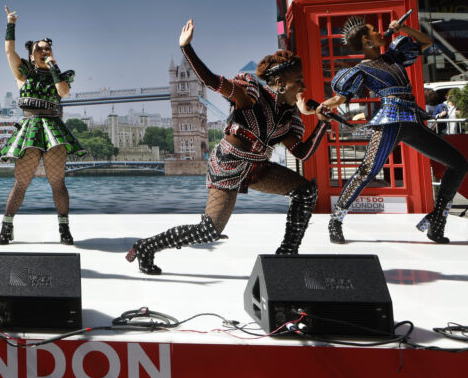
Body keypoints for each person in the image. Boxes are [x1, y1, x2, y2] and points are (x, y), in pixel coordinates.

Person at [126, 20, 330, 275]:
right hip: (227, 167)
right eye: (298, 80)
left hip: (257, 168)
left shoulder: (289, 117)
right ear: (279, 81)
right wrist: (186, 49)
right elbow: (212, 81)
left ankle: (287, 254)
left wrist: (322, 124)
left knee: (306, 192)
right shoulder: (251, 94)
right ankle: (146, 247)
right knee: (208, 231)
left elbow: (301, 152)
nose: (303, 87)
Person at [320, 16, 468, 244]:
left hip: (411, 120)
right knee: (367, 171)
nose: (381, 32)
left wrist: (403, 28)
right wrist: (321, 107)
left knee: (458, 163)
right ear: (367, 41)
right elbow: (340, 97)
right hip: (389, 121)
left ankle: (437, 220)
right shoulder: (360, 70)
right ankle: (336, 220)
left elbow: (426, 42)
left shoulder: (394, 54)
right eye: (374, 31)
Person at [0, 6, 87, 246]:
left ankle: (64, 229)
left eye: (48, 47)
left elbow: (63, 92)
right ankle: (7, 226)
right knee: (21, 182)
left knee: (57, 182)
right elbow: (8, 50)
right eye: (40, 48)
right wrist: (10, 23)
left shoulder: (60, 73)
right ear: (32, 52)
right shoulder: (23, 73)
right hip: (31, 127)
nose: (45, 50)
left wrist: (54, 67)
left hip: (53, 128)